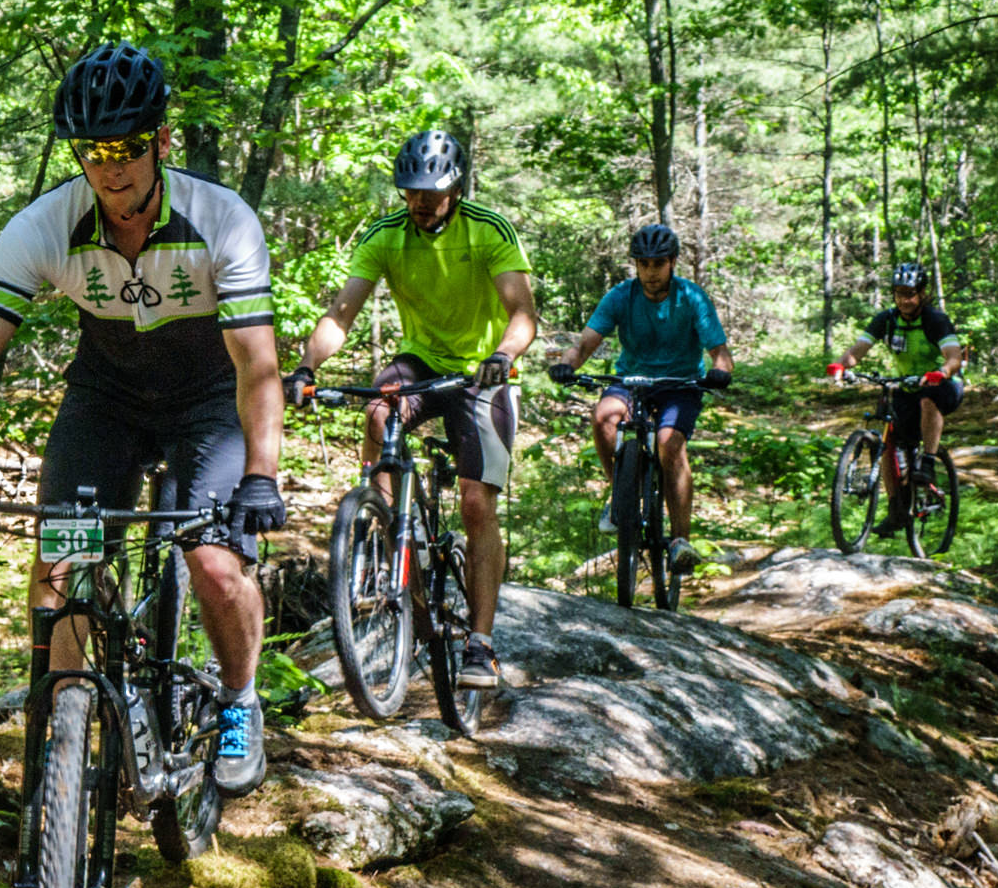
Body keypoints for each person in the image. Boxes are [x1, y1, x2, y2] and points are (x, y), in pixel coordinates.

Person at [0, 41, 283, 797]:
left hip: (208, 406)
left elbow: (257, 366)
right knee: (62, 566)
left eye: (130, 146)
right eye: (95, 150)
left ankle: (239, 700)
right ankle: (57, 749)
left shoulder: (221, 219)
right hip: (106, 402)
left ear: (162, 142)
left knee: (212, 560)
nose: (113, 167)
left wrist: (261, 475)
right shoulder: (43, 227)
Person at [283, 130, 536, 690]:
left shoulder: (487, 231)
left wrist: (504, 354)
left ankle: (481, 643)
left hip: (481, 372)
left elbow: (522, 312)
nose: (421, 201)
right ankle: (384, 524)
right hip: (422, 363)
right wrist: (306, 368)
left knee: (476, 504)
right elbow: (340, 316)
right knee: (378, 407)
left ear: (457, 188)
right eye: (411, 190)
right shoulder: (386, 236)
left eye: (434, 191)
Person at [547, 224, 733, 576]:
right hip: (630, 381)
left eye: (658, 263)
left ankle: (680, 541)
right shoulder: (621, 295)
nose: (650, 272)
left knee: (669, 443)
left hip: (680, 384)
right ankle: (621, 497)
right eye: (643, 264)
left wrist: (721, 371)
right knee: (603, 416)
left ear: (672, 262)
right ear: (635, 264)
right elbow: (586, 342)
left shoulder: (691, 297)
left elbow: (719, 350)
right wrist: (567, 365)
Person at [826, 262, 965, 537]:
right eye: (900, 293)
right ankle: (896, 510)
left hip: (943, 384)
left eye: (911, 294)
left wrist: (941, 372)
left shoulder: (935, 320)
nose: (905, 300)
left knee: (928, 400)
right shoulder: (887, 320)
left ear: (922, 293)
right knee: (889, 443)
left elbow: (954, 357)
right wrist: (842, 366)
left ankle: (928, 460)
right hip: (906, 386)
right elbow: (859, 349)